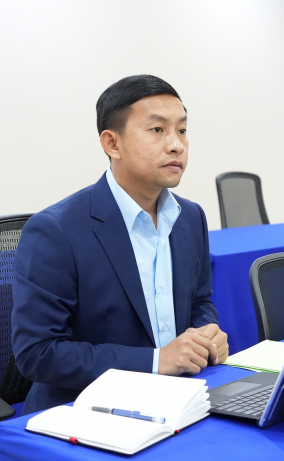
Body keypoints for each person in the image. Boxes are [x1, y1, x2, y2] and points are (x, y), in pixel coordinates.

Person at [12, 75, 228, 414]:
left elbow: (199, 301)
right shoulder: (56, 230)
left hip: (179, 401)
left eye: (182, 130)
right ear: (112, 144)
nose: (177, 145)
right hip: (86, 410)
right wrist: (155, 361)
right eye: (157, 130)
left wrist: (204, 334)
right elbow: (38, 353)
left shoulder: (190, 217)